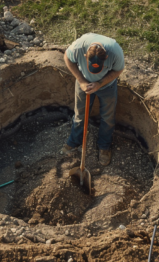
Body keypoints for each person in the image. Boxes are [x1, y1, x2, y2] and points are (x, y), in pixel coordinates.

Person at [61, 33, 125, 166]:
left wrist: (99, 84)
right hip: (83, 83)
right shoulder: (79, 47)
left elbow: (118, 71)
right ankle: (74, 142)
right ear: (85, 56)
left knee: (107, 118)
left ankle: (104, 147)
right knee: (80, 115)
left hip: (106, 86)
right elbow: (67, 57)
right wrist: (81, 81)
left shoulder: (115, 52)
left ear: (106, 58)